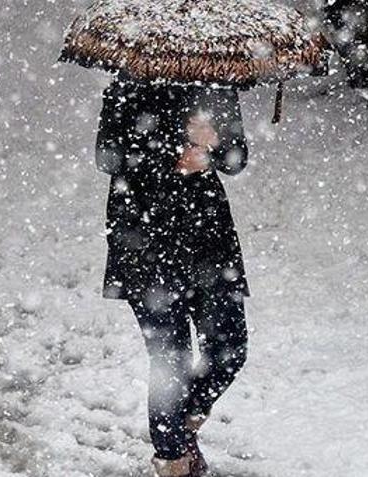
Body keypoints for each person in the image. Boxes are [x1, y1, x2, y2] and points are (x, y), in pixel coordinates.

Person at [95, 75, 250, 477]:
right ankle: (173, 460)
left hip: (208, 240)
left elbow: (237, 158)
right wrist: (173, 151)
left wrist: (213, 147)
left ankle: (181, 427)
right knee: (171, 362)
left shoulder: (216, 80)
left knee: (230, 347)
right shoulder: (129, 83)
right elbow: (108, 157)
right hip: (145, 240)